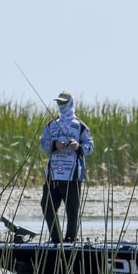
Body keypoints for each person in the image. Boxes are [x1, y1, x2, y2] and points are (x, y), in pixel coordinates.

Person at [39, 91, 94, 243]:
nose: (60, 105)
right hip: (53, 175)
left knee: (72, 211)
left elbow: (90, 146)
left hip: (73, 176)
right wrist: (55, 145)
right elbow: (43, 143)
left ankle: (70, 240)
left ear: (70, 103)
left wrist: (78, 147)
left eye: (63, 102)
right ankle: (56, 239)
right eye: (59, 102)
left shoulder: (80, 126)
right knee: (47, 206)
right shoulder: (51, 124)